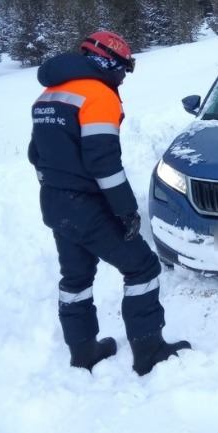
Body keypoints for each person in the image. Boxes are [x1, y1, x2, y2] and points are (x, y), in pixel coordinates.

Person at [28, 31, 191, 375]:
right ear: (110, 62)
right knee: (142, 268)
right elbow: (103, 161)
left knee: (75, 279)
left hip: (54, 203)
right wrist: (125, 209)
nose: (124, 78)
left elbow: (35, 154)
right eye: (124, 69)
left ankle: (83, 351)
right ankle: (149, 350)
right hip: (85, 203)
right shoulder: (98, 95)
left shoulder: (48, 96)